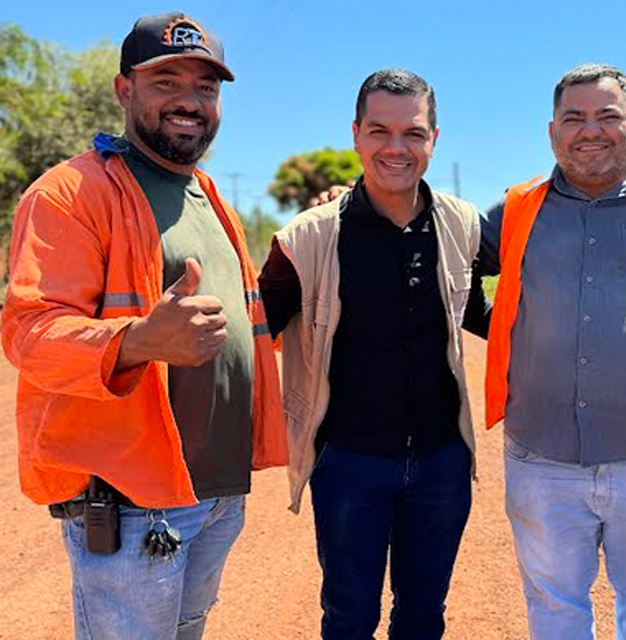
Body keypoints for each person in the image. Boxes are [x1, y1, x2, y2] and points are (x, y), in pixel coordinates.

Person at [1, 12, 286, 639]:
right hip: (132, 503)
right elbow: (31, 330)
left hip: (214, 492)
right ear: (124, 90)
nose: (189, 101)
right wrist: (133, 341)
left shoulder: (211, 198)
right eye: (166, 82)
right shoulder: (70, 193)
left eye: (205, 88)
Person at [475, 63, 626, 640]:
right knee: (555, 612)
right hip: (541, 458)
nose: (591, 130)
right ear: (552, 131)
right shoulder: (516, 209)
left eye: (607, 116)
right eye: (575, 118)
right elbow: (440, 253)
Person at [258, 69, 488, 640]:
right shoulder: (306, 238)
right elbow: (253, 333)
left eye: (413, 133)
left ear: (434, 138)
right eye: (380, 131)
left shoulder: (463, 225)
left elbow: (490, 317)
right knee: (349, 618)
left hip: (441, 463)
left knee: (421, 618)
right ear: (356, 135)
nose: (396, 148)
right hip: (347, 466)